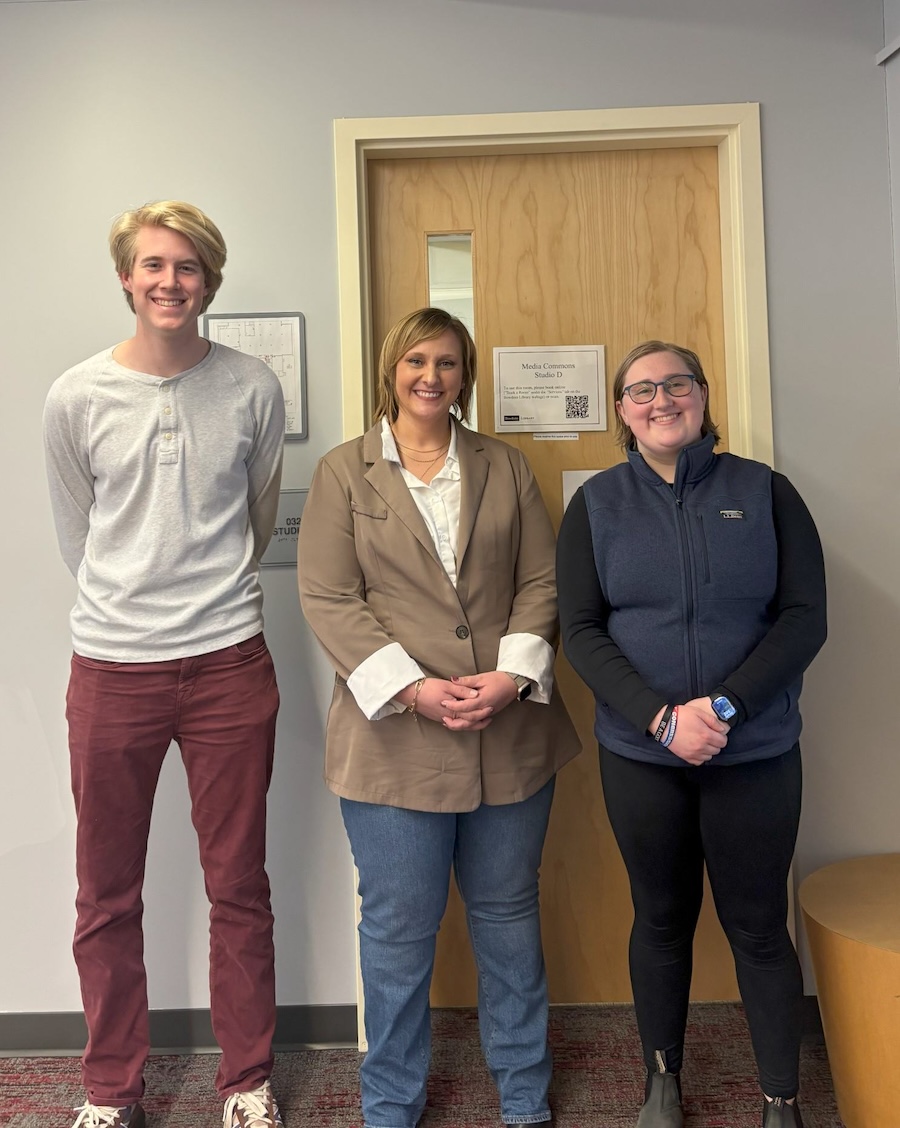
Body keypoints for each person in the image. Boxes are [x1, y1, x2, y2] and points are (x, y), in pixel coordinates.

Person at [297, 307, 580, 1128]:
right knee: (396, 931)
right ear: (392, 371)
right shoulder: (343, 473)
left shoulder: (507, 465)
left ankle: (524, 1096)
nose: (432, 377)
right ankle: (390, 1103)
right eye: (417, 361)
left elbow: (542, 581)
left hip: (509, 733)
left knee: (508, 919)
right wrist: (415, 689)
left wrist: (510, 677)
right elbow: (329, 598)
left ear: (467, 374)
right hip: (392, 741)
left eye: (449, 362)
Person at [43, 201, 286, 1128]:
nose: (170, 282)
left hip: (229, 662)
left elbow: (255, 524)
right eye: (153, 266)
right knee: (106, 891)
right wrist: (139, 605)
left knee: (240, 885)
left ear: (209, 281)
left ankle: (247, 1083)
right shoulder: (75, 396)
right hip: (111, 669)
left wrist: (199, 599)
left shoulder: (254, 388)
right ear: (125, 277)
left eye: (188, 267)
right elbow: (82, 536)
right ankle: (111, 1091)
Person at [556, 341, 826, 1128]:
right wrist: (664, 718)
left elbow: (804, 618)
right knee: (661, 918)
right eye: (640, 389)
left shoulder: (767, 493)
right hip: (644, 756)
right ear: (620, 411)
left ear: (704, 396)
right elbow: (580, 630)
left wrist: (726, 709)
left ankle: (781, 1099)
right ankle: (662, 1085)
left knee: (758, 926)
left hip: (756, 753)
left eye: (676, 383)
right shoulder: (597, 506)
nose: (660, 399)